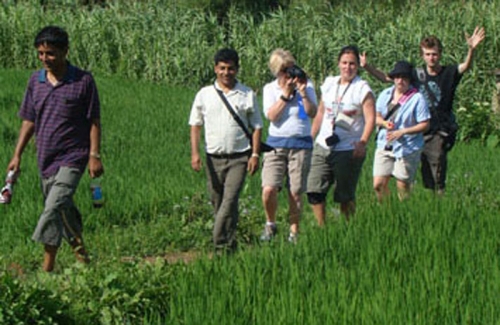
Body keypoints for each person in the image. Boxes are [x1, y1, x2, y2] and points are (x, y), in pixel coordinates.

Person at [6, 26, 104, 272]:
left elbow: (94, 121)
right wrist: (17, 154)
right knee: (63, 212)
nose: (44, 59)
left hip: (74, 156)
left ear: (64, 51)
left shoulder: (83, 81)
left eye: (50, 53)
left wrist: (94, 155)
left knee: (53, 206)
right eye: (40, 53)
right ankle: (84, 261)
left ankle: (45, 267)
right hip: (45, 157)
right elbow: (28, 120)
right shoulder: (35, 81)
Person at [361, 27, 485, 194]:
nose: (431, 58)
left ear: (440, 54)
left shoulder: (448, 72)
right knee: (408, 176)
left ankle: (437, 203)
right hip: (414, 131)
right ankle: (412, 205)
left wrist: (471, 49)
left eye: (434, 54)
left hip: (437, 130)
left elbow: (466, 67)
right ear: (422, 55)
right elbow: (387, 78)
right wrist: (367, 66)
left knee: (435, 173)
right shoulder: (415, 74)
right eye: (427, 54)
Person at [189, 48, 263, 252]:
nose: (226, 73)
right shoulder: (205, 94)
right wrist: (195, 154)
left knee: (229, 201)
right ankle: (229, 244)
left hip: (239, 157)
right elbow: (195, 125)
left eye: (230, 68)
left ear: (237, 69)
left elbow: (257, 126)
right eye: (222, 68)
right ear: (215, 69)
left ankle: (217, 242)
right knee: (218, 202)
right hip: (213, 158)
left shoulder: (246, 94)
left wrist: (255, 155)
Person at [306, 45, 376, 225]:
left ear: (357, 66)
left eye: (352, 64)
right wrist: (310, 138)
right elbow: (321, 112)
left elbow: (370, 119)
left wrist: (363, 142)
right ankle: (322, 228)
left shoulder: (362, 89)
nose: (348, 67)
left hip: (348, 148)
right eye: (344, 63)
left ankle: (348, 227)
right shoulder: (329, 83)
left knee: (344, 195)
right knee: (314, 190)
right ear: (338, 64)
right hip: (323, 145)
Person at [259, 49, 318, 243]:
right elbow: (272, 117)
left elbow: (311, 112)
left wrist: (302, 93)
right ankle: (270, 223)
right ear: (277, 71)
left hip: (301, 144)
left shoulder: (306, 86)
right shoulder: (270, 89)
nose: (289, 74)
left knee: (295, 191)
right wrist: (285, 94)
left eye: (291, 68)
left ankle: (294, 232)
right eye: (285, 70)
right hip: (276, 143)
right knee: (269, 188)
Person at [373, 61, 430, 202]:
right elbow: (375, 116)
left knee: (402, 185)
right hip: (384, 144)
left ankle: (402, 210)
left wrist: (404, 131)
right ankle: (385, 211)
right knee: (378, 184)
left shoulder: (417, 98)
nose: (400, 81)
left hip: (407, 147)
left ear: (410, 80)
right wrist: (384, 123)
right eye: (397, 77)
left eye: (404, 77)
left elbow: (425, 124)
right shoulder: (385, 94)